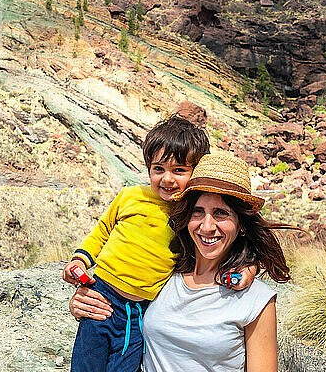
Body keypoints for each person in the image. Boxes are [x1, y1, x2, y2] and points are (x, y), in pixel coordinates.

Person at [62, 116, 257, 372]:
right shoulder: (131, 197)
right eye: (158, 169)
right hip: (101, 294)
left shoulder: (189, 214)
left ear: (195, 172)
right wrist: (80, 260)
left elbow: (234, 242)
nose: (167, 179)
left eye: (179, 170)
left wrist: (249, 268)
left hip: (142, 311)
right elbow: (102, 231)